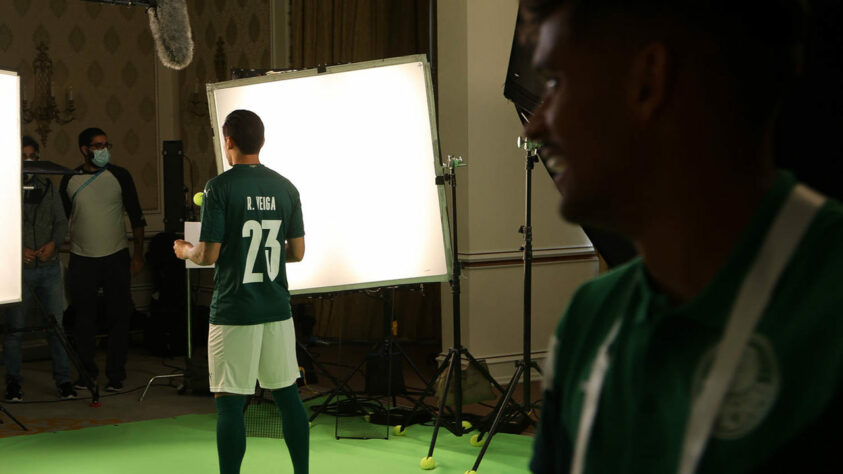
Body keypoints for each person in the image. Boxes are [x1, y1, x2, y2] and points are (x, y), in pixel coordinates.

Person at [521, 1, 841, 473]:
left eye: (555, 82)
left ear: (648, 80)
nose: (536, 124)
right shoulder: (590, 321)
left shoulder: (829, 305)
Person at [173, 109, 309, 474]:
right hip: (277, 308)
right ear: (261, 141)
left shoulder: (219, 187)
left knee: (230, 404)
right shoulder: (286, 187)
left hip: (234, 309)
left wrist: (185, 250)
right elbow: (297, 252)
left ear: (228, 141)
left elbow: (208, 255)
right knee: (287, 396)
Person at [59, 128, 146, 392]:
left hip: (116, 256)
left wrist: (138, 255)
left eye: (106, 144)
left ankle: (116, 376)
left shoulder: (120, 175)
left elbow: (137, 216)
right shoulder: (70, 180)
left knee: (119, 317)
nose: (103, 149)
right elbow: (61, 220)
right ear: (84, 150)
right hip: (82, 258)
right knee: (83, 319)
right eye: (97, 146)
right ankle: (86, 374)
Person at [3, 136, 76, 402]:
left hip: (48, 267)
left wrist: (53, 244)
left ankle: (64, 381)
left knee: (55, 326)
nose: (29, 162)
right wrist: (15, 250)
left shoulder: (48, 186)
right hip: (19, 271)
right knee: (15, 330)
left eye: (33, 157)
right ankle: (13, 383)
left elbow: (60, 221)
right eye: (24, 157)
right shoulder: (6, 189)